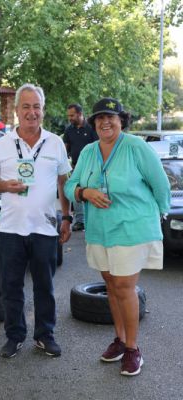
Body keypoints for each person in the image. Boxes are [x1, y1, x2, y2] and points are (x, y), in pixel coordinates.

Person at [64, 98, 170, 376]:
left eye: (111, 117)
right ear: (94, 123)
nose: (105, 122)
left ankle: (133, 349)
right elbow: (70, 185)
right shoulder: (88, 151)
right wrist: (85, 192)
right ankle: (120, 340)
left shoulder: (137, 147)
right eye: (100, 118)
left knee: (123, 285)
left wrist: (160, 214)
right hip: (100, 230)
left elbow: (160, 184)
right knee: (111, 284)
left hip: (132, 227)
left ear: (121, 120)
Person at [0, 83, 72, 358]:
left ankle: (45, 335)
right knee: (11, 287)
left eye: (36, 107)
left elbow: (63, 183)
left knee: (45, 286)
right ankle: (14, 336)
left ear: (43, 110)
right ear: (17, 111)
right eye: (26, 107)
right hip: (11, 228)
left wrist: (67, 217)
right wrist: (4, 185)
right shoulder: (2, 144)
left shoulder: (55, 142)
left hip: (45, 227)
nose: (31, 112)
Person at [64, 104, 98, 231]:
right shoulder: (69, 130)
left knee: (92, 192)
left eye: (72, 115)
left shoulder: (91, 128)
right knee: (75, 191)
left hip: (93, 167)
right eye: (68, 116)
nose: (70, 118)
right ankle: (80, 221)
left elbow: (99, 146)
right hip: (75, 167)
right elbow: (65, 148)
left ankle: (94, 221)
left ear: (80, 114)